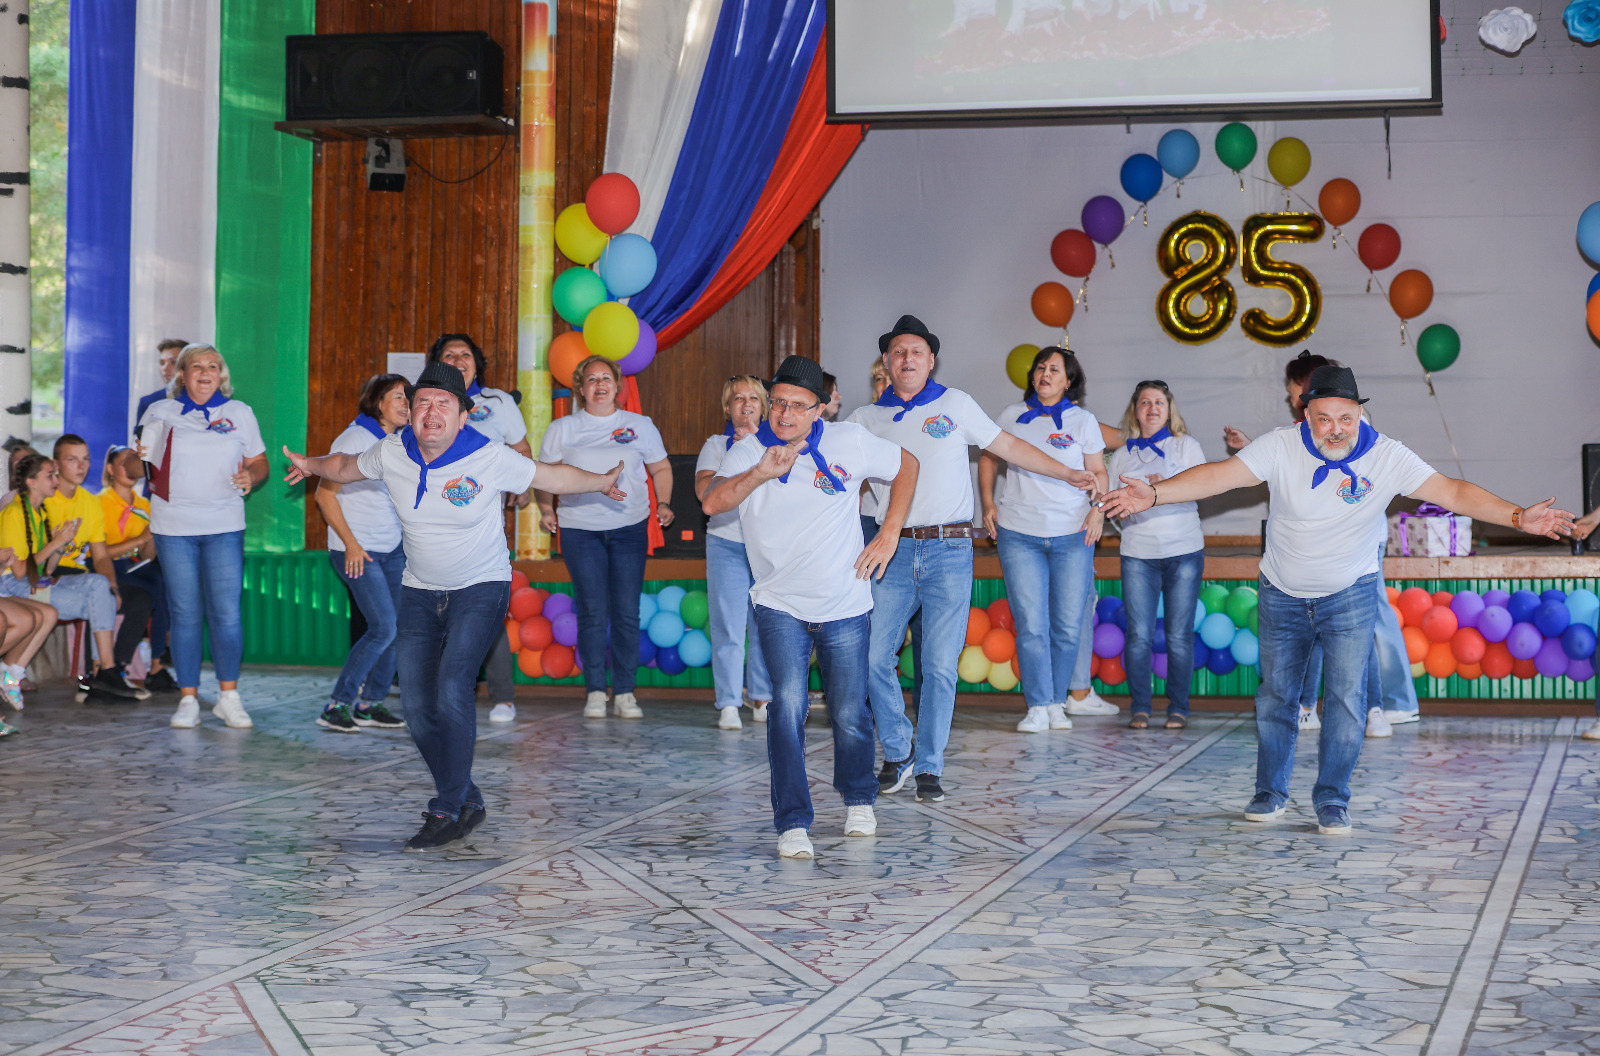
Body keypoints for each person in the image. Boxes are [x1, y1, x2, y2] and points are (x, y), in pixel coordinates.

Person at [1103, 363, 1573, 835]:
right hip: (1282, 593)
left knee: (1347, 700)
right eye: (1324, 418)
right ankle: (1270, 792)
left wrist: (1518, 517)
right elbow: (1220, 476)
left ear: (1359, 415)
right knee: (1276, 696)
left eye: (1345, 418)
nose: (1335, 429)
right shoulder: (1281, 445)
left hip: (1350, 594)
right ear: (1306, 415)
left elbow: (1452, 490)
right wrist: (1155, 495)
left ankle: (1332, 798)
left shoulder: (1387, 456)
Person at [283, 360, 626, 851]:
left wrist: (599, 481)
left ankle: (445, 808)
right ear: (411, 412)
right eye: (422, 402)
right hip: (419, 590)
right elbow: (342, 467)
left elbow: (551, 474)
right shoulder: (392, 451)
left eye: (443, 404)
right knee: (417, 707)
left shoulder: (488, 456)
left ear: (463, 416)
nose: (431, 412)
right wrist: (309, 464)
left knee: (451, 688)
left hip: (481, 585)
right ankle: (466, 797)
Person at [848, 315, 1096, 804]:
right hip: (891, 551)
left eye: (916, 352)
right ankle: (898, 750)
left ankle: (929, 765)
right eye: (898, 352)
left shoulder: (955, 404)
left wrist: (1067, 473)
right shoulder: (863, 420)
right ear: (887, 362)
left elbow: (1009, 446)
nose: (907, 359)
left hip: (950, 549)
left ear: (931, 360)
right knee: (874, 659)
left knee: (939, 666)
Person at [702, 355, 919, 858]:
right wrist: (760, 472)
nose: (785, 414)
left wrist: (890, 532)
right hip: (779, 603)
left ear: (819, 410)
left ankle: (859, 799)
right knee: (787, 708)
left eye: (798, 406)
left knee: (849, 710)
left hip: (845, 602)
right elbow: (712, 502)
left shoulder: (849, 440)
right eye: (778, 403)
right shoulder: (748, 449)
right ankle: (793, 822)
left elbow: (907, 464)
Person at [1228, 350, 1418, 736]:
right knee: (1325, 629)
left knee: (1363, 627)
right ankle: (1314, 707)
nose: (1291, 397)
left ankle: (1378, 707)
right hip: (1320, 551)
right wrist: (1252, 450)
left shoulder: (1353, 428)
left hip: (1357, 548)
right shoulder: (1303, 431)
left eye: (1293, 389)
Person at [137, 343, 269, 729]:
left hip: (224, 525)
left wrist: (251, 476)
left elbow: (259, 462)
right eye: (197, 366)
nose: (206, 373)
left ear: (220, 374)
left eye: (213, 366)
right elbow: (137, 464)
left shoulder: (239, 412)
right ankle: (188, 699)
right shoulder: (159, 410)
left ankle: (228, 697)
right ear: (183, 374)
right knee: (184, 613)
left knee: (226, 613)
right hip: (173, 527)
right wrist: (133, 455)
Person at [978, 346, 1108, 734]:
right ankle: (1037, 705)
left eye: (1054, 369)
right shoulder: (1011, 415)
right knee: (1031, 625)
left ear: (1069, 381)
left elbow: (1099, 471)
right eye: (1040, 367)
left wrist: (1098, 509)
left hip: (1073, 533)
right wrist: (987, 502)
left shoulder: (1083, 420)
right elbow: (988, 458)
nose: (1045, 374)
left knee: (1067, 626)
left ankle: (1056, 704)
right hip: (1019, 534)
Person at [536, 355, 673, 721]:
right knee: (592, 611)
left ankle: (625, 692)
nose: (599, 384)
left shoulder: (640, 425)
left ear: (617, 387)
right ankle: (596, 691)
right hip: (580, 530)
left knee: (626, 612)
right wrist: (547, 510)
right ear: (581, 389)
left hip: (630, 528)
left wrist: (664, 503)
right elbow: (544, 476)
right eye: (592, 379)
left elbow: (661, 467)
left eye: (606, 378)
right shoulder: (562, 428)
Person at [427, 334, 531, 725]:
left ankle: (503, 697)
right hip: (433, 527)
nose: (458, 359)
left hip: (484, 527)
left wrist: (522, 488)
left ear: (477, 363)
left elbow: (522, 452)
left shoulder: (499, 403)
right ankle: (449, 697)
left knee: (486, 609)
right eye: (449, 355)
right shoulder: (427, 404)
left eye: (465, 354)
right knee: (437, 612)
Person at [313, 374, 413, 733]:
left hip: (391, 549)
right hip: (356, 549)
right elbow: (324, 495)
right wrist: (352, 544)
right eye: (397, 397)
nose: (406, 403)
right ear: (377, 402)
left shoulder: (400, 441)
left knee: (398, 628)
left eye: (409, 397)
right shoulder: (355, 438)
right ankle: (336, 705)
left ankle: (369, 704)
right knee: (383, 627)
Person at [1106, 381, 1208, 730]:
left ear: (1169, 409)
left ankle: (1179, 707)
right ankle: (1140, 707)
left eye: (1159, 402)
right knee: (1139, 635)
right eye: (1145, 402)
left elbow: (1204, 488)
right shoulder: (1122, 454)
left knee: (1179, 635)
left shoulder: (1186, 446)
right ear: (1135, 410)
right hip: (1138, 553)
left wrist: (1161, 488)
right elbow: (1110, 503)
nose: (1152, 408)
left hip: (1184, 550)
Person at [0, 454, 138, 702]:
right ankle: (104, 671)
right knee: (100, 603)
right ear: (32, 482)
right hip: (13, 585)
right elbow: (19, 572)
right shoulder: (14, 513)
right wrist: (55, 543)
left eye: (55, 474)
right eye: (50, 475)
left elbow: (47, 570)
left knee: (99, 584)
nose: (56, 480)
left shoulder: (39, 512)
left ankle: (104, 671)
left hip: (34, 581)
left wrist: (60, 546)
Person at [694, 375, 773, 731]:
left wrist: (757, 448)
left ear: (764, 406)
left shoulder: (777, 444)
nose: (746, 404)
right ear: (727, 408)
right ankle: (728, 702)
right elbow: (704, 492)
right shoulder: (716, 445)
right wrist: (738, 456)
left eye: (753, 398)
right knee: (728, 624)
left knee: (765, 625)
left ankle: (762, 698)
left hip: (767, 545)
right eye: (738, 398)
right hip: (726, 543)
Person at [45, 436, 150, 701]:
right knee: (98, 590)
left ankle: (111, 671)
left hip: (79, 574)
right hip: (48, 574)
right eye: (72, 459)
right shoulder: (45, 498)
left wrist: (113, 586)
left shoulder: (90, 502)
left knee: (131, 595)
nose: (81, 466)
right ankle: (102, 673)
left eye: (86, 459)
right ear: (56, 464)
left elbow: (101, 556)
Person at [100, 446, 174, 692]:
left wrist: (154, 535)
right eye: (124, 463)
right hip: (106, 566)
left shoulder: (144, 504)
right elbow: (99, 553)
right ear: (111, 469)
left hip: (133, 565)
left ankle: (158, 662)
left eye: (135, 462)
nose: (131, 467)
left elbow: (146, 555)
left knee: (166, 579)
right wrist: (140, 539)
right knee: (149, 592)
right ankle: (141, 662)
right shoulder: (100, 502)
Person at [134, 339, 187, 441]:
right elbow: (140, 440)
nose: (165, 368)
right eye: (162, 363)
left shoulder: (202, 399)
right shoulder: (148, 402)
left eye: (173, 362)